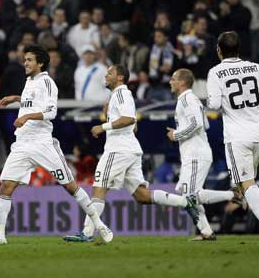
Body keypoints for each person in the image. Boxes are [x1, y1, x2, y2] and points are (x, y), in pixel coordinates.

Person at [0, 44, 113, 244]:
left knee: (70, 186)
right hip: (22, 143)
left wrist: (26, 116)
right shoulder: (29, 81)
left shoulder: (47, 83)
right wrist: (17, 99)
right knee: (6, 186)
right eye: (25, 59)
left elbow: (51, 112)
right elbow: (33, 102)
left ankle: (100, 225)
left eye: (29, 60)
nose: (25, 63)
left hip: (42, 143)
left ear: (40, 63)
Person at [63, 64, 199, 243]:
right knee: (142, 196)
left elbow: (130, 119)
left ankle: (87, 233)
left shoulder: (120, 93)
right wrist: (110, 117)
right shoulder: (120, 96)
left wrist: (102, 126)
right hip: (129, 150)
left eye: (110, 73)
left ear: (120, 77)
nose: (106, 75)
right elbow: (133, 126)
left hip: (117, 150)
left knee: (99, 188)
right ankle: (184, 202)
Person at [206, 31, 259, 244]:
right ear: (239, 48)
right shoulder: (254, 67)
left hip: (237, 137)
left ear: (219, 50)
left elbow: (212, 105)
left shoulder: (216, 72)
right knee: (246, 184)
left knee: (246, 184)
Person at [167, 68, 246, 241]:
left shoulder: (187, 99)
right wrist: (179, 131)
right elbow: (205, 125)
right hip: (192, 154)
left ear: (182, 82)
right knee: (188, 195)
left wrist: (176, 135)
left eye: (173, 79)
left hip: (196, 154)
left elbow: (196, 124)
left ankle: (232, 195)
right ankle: (206, 232)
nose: (170, 82)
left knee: (190, 197)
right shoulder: (189, 99)